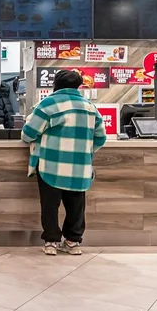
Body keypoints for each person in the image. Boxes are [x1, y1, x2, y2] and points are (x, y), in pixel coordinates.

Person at [21, 69, 106, 255]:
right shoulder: (90, 107)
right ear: (78, 86)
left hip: (51, 165)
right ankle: (72, 242)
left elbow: (28, 134)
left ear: (56, 85)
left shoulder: (48, 103)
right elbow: (100, 137)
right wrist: (84, 150)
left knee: (50, 206)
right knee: (76, 206)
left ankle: (51, 242)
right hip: (80, 166)